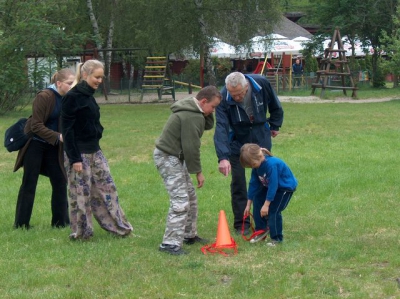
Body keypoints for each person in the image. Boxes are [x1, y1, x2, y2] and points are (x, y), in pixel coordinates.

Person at [61, 59, 132, 240]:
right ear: (85, 75)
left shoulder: (89, 96)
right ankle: (82, 233)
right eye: (97, 77)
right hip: (78, 153)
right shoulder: (72, 97)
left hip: (95, 151)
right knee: (81, 193)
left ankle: (120, 228)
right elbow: (67, 131)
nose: (100, 81)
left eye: (102, 77)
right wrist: (75, 158)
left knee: (108, 188)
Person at [213, 71, 284, 236]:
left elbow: (275, 104)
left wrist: (275, 124)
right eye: (233, 94)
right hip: (237, 139)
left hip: (260, 134)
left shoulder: (261, 83)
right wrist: (223, 157)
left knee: (263, 179)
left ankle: (264, 219)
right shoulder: (223, 96)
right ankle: (241, 224)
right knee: (238, 181)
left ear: (246, 87)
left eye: (240, 94)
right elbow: (221, 127)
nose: (237, 98)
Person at [154, 86, 221, 255]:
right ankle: (169, 244)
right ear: (203, 101)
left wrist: (208, 111)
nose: (213, 111)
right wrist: (198, 172)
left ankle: (188, 235)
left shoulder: (194, 110)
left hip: (176, 157)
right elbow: (191, 147)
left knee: (190, 195)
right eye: (213, 107)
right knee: (180, 199)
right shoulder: (191, 116)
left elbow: (208, 125)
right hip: (167, 157)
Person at [13, 68, 75, 229]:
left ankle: (61, 223)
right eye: (69, 83)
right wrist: (58, 136)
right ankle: (21, 224)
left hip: (53, 147)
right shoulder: (45, 96)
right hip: (35, 144)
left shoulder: (67, 98)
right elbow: (36, 125)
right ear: (59, 83)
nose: (71, 86)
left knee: (60, 181)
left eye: (73, 83)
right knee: (29, 183)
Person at [240, 143, 297, 246]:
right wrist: (248, 204)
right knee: (257, 199)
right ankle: (261, 231)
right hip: (270, 187)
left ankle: (277, 239)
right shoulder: (256, 166)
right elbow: (253, 183)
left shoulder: (271, 165)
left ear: (260, 157)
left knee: (273, 211)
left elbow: (273, 186)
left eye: (253, 165)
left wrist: (266, 205)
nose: (253, 167)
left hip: (284, 188)